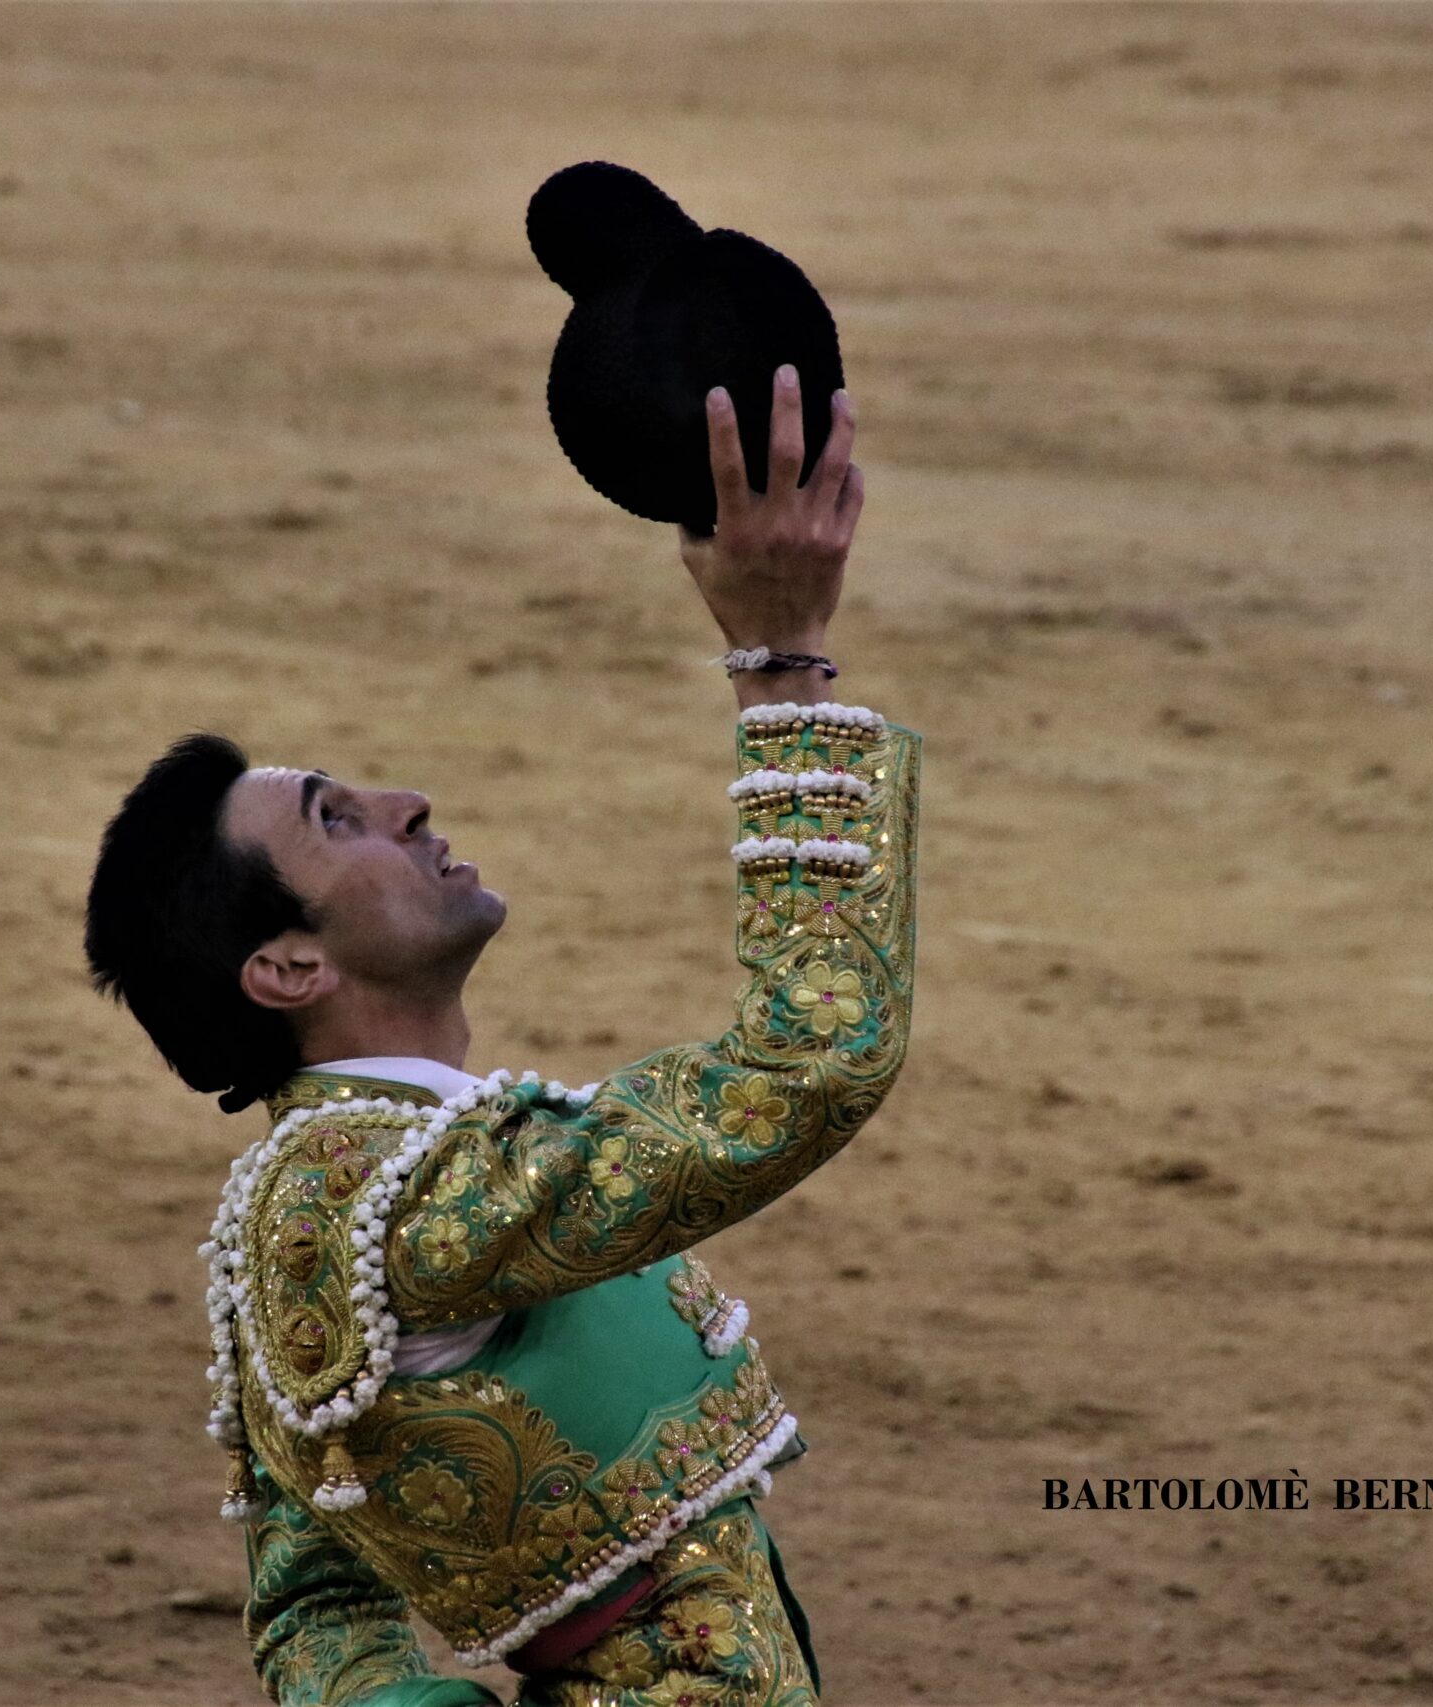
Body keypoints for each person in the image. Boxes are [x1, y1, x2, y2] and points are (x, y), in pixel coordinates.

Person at [86, 365, 917, 1706]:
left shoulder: (315, 1207)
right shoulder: (407, 1205)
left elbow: (315, 1608)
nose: (405, 802)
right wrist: (781, 664)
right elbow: (804, 1064)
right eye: (337, 821)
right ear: (288, 966)